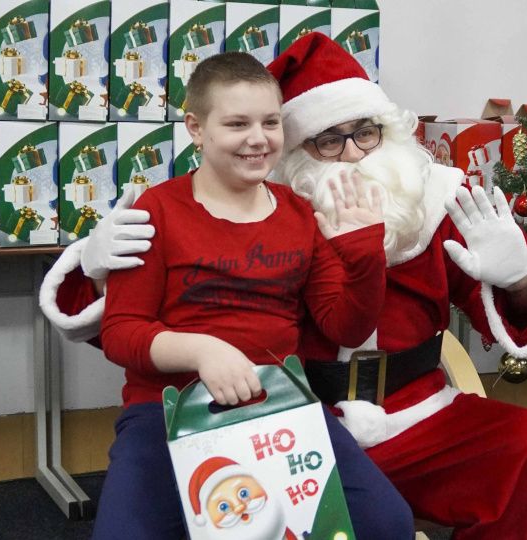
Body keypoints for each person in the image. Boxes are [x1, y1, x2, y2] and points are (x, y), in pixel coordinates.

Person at [41, 34, 527, 539]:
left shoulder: (435, 201)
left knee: (524, 445)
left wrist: (519, 277)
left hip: (411, 415)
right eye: (329, 139)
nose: (354, 154)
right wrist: (94, 267)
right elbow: (125, 328)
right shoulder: (257, 202)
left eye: (366, 132)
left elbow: (375, 318)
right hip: (283, 410)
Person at [83, 51, 415, 539]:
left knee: (386, 523)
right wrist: (203, 351)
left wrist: (365, 257)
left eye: (270, 122)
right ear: (196, 128)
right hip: (166, 410)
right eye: (237, 124)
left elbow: (346, 327)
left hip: (278, 405)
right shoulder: (158, 210)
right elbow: (120, 332)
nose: (258, 138)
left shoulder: (300, 213)